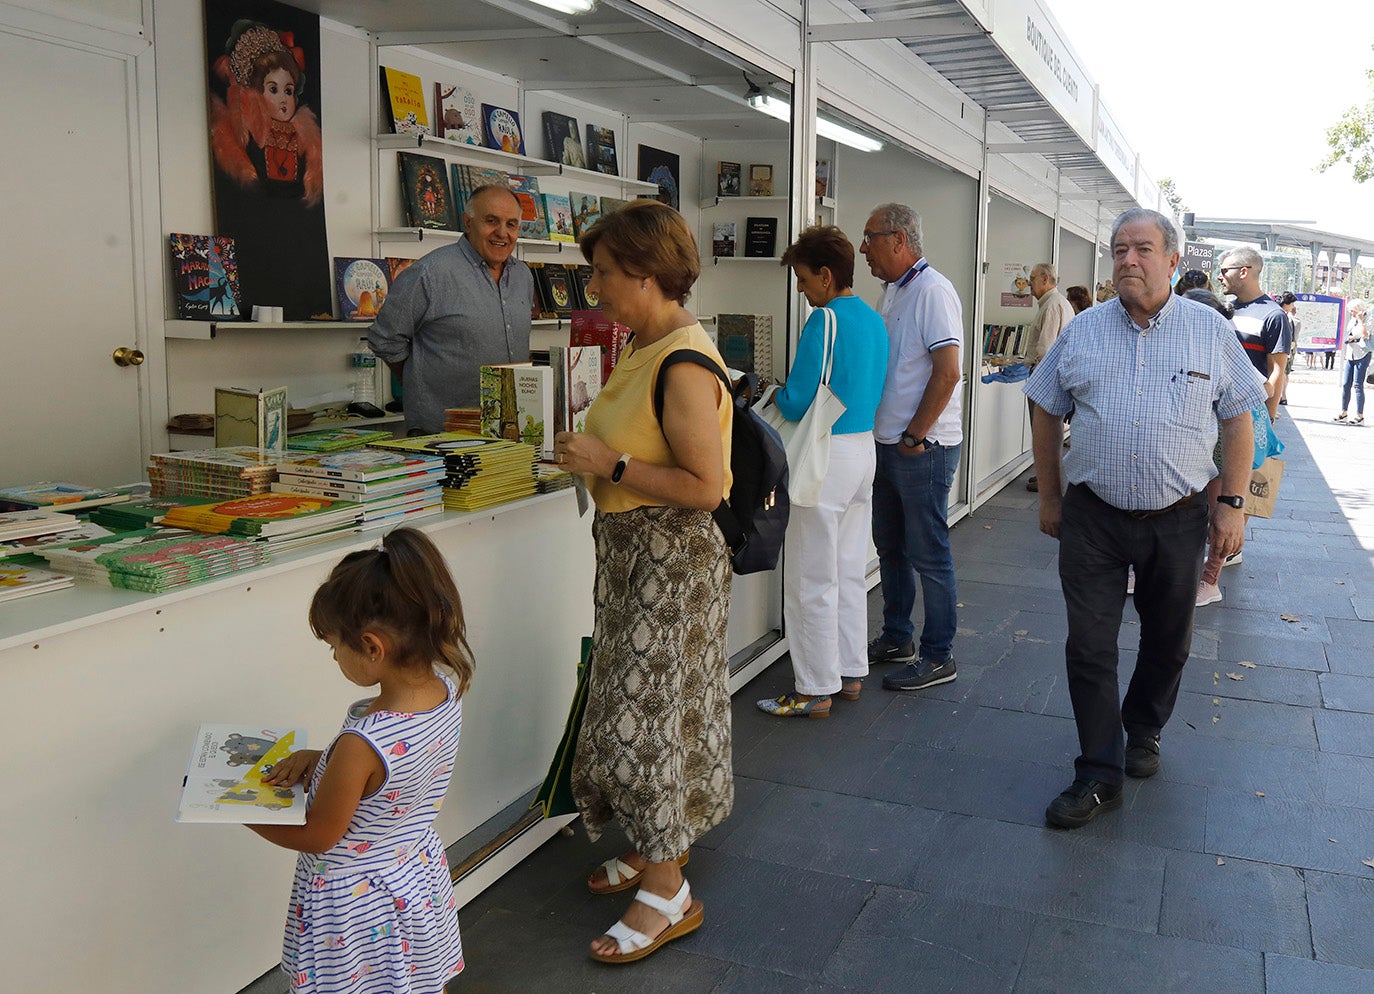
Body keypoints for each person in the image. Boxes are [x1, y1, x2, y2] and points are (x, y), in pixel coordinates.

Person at [1024, 208, 1266, 830]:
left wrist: (1232, 504)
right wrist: (1050, 495)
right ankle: (1097, 773)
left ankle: (1145, 727)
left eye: (1143, 249)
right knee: (1089, 645)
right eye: (1119, 249)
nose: (1128, 260)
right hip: (1093, 519)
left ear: (1173, 261)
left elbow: (1241, 413)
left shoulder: (1208, 331)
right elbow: (1045, 406)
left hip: (1179, 518)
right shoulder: (1082, 331)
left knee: (1168, 640)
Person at [551, 201, 732, 963]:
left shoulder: (682, 362)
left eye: (604, 273)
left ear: (648, 276)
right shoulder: (646, 343)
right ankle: (666, 844)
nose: (594, 286)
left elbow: (708, 486)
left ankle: (667, 891)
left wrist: (609, 464)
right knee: (649, 714)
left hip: (669, 562)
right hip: (634, 559)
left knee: (644, 726)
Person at [252, 527, 473, 992]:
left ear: (372, 647)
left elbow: (318, 835)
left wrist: (235, 811)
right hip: (413, 876)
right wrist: (322, 760)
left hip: (355, 901)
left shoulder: (363, 742)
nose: (334, 657)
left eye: (334, 645)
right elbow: (396, 779)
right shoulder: (444, 689)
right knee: (410, 981)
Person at [755, 226, 888, 718]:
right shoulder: (874, 321)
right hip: (862, 450)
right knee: (850, 568)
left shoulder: (823, 321)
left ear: (826, 276)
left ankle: (813, 688)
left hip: (824, 456)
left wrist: (770, 395)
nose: (801, 288)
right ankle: (850, 672)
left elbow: (794, 402)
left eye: (803, 278)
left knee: (811, 574)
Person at [859, 202, 965, 693]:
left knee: (929, 554)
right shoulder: (894, 291)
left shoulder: (933, 291)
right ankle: (897, 636)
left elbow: (948, 372)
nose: (864, 249)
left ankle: (939, 654)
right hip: (890, 445)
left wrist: (914, 436)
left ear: (899, 240)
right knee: (892, 549)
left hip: (921, 449)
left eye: (871, 238)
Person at [369, 184, 534, 434]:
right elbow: (384, 339)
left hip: (508, 431)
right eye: (491, 221)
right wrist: (417, 381)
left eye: (511, 224)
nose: (502, 233)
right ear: (468, 223)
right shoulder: (430, 273)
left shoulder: (524, 276)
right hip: (441, 434)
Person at [210, 21, 324, 205]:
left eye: (288, 91)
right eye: (273, 90)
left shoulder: (305, 139)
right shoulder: (247, 137)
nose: (283, 98)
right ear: (254, 95)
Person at [1217, 247, 1292, 422]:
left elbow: (1276, 372)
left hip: (1250, 417)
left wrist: (1268, 418)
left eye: (1224, 271)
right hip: (1218, 411)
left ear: (1243, 272)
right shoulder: (1223, 311)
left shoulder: (1273, 316)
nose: (1220, 277)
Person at [1023, 263, 1077, 492]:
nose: (1029, 284)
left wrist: (1036, 375)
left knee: (1043, 431)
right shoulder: (1058, 303)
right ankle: (1045, 475)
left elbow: (1045, 347)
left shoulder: (1052, 306)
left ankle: (1046, 479)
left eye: (1032, 279)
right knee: (1049, 430)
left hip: (1045, 376)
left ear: (1045, 279)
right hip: (1055, 376)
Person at [1335, 298, 1371, 423]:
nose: (1352, 313)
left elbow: (1365, 334)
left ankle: (1359, 414)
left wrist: (1360, 320)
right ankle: (1343, 412)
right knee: (1346, 384)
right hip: (1351, 354)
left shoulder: (1368, 320)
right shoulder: (1352, 320)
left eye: (1353, 311)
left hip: (1362, 354)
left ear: (1359, 310)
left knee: (1357, 385)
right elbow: (1349, 332)